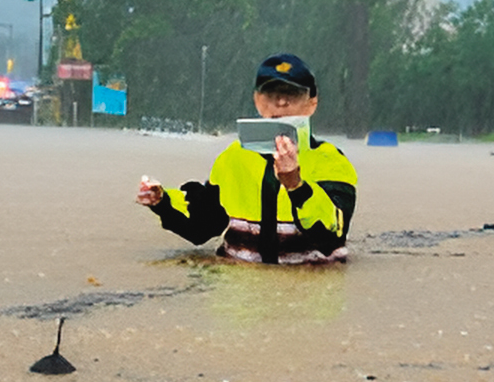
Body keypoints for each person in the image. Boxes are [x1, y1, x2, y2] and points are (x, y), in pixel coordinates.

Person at [135, 53, 358, 264]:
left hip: (309, 290)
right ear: (257, 100)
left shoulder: (331, 161)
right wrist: (162, 200)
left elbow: (333, 235)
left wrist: (296, 186)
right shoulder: (233, 158)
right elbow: (201, 227)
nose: (281, 102)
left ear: (312, 102)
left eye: (292, 93)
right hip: (241, 291)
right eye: (271, 93)